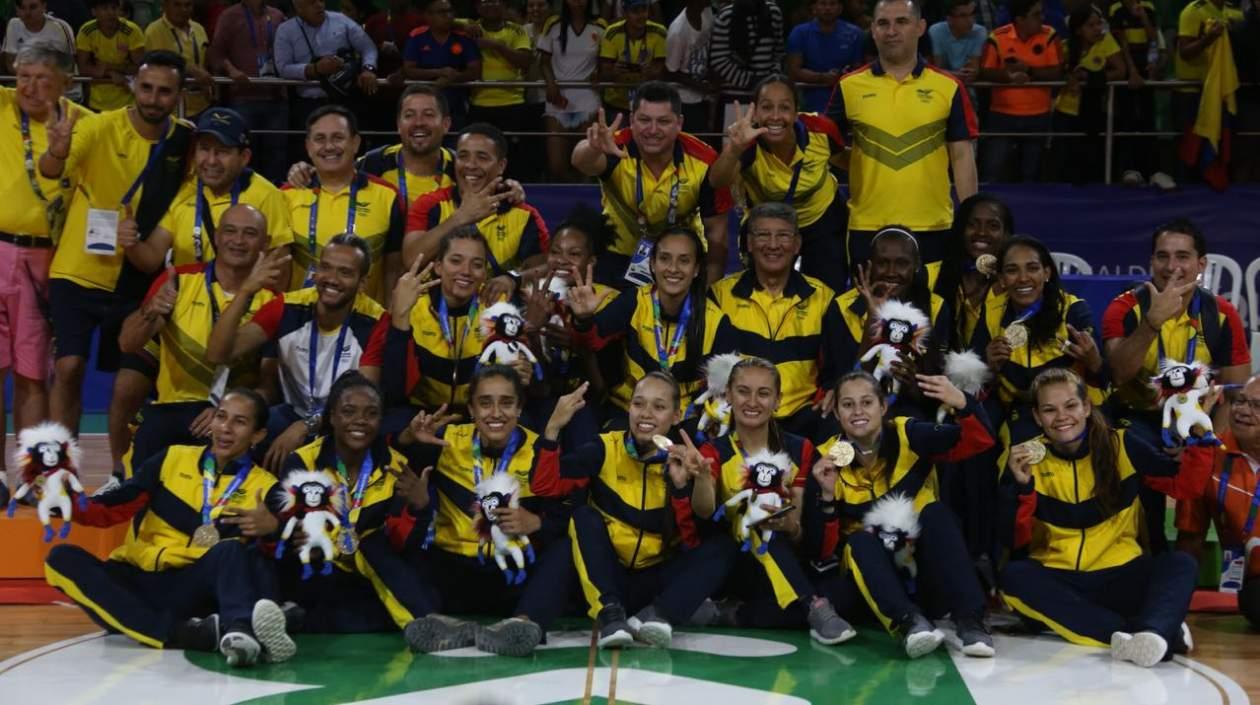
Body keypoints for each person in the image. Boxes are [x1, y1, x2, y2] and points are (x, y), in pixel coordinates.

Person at [43, 389, 298, 668]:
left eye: (239, 422)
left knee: (231, 552)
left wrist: (274, 528)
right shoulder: (171, 458)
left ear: (258, 435)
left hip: (192, 587)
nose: (225, 428)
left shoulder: (266, 487)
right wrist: (66, 503)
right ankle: (186, 633)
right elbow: (115, 506)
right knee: (60, 559)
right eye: (221, 417)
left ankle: (239, 628)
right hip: (137, 577)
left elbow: (279, 556)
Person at [1000, 368, 1208, 667]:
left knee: (1181, 564)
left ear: (1086, 407)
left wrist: (1202, 437)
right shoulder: (1026, 459)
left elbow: (1185, 487)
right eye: (1049, 410)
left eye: (1070, 405)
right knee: (1014, 578)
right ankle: (1154, 632)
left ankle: (1150, 632)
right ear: (1036, 417)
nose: (1061, 416)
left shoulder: (1123, 444)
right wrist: (1022, 487)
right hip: (1060, 579)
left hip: (1121, 574)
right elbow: (1012, 538)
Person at [42, 50, 195, 441]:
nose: (153, 98)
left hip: (138, 276)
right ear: (132, 86)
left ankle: (121, 474)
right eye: (145, 88)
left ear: (178, 94)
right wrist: (57, 149)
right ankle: (60, 466)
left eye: (164, 91)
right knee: (69, 367)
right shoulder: (97, 127)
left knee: (130, 386)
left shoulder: (185, 141)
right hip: (78, 269)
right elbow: (52, 169)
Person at [532, 371, 737, 649]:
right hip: (606, 576)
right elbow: (545, 486)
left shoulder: (686, 459)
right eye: (638, 403)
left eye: (659, 407)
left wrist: (683, 486)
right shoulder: (604, 448)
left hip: (655, 582)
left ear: (676, 416)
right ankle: (610, 615)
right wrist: (553, 428)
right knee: (582, 517)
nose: (646, 413)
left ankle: (659, 617)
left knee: (722, 547)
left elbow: (691, 540)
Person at [811, 369, 996, 658]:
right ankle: (909, 624)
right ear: (836, 413)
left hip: (923, 574)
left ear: (883, 406)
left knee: (935, 513)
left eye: (867, 402)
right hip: (873, 586)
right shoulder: (826, 457)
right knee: (858, 541)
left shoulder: (910, 433)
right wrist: (825, 495)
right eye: (848, 404)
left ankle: (970, 621)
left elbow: (980, 440)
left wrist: (962, 402)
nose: (858, 411)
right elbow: (821, 550)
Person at [395, 365, 577, 656]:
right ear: (471, 408)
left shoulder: (540, 451)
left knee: (565, 548)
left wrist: (538, 523)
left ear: (520, 408)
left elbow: (566, 516)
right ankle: (434, 621)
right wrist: (407, 439)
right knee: (387, 543)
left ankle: (522, 624)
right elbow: (383, 460)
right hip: (453, 572)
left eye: (506, 403)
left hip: (514, 577)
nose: (495, 413)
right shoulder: (444, 440)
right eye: (485, 403)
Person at [1102, 219, 1250, 551]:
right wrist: (1152, 322)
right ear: (1150, 262)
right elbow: (1119, 375)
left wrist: (1204, 441)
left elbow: (1236, 394)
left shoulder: (1222, 315)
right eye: (1162, 256)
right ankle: (1144, 553)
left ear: (1201, 264)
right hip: (1137, 416)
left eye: (1182, 257)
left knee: (1204, 468)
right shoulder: (1125, 308)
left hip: (1198, 419)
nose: (1172, 267)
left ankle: (1192, 559)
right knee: (1134, 451)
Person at [694, 358, 856, 644]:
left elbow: (809, 542)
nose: (752, 401)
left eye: (764, 393)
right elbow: (704, 516)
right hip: (738, 564)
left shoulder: (800, 449)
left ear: (778, 400)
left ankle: (732, 615)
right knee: (754, 516)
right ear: (728, 395)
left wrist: (790, 527)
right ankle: (813, 606)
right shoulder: (713, 450)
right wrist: (702, 480)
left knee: (846, 597)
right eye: (743, 391)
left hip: (788, 561)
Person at [117, 204, 279, 470]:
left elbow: (269, 385)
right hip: (174, 410)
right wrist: (150, 311)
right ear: (216, 237)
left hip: (235, 418)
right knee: (152, 432)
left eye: (249, 233)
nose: (238, 241)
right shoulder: (179, 281)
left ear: (265, 242)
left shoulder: (272, 301)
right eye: (230, 231)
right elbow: (127, 343)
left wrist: (228, 412)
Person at [280, 372, 441, 639]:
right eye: (348, 411)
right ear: (331, 417)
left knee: (372, 545)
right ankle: (426, 621)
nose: (360, 421)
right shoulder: (303, 462)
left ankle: (425, 623)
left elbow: (406, 545)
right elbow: (295, 532)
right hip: (320, 577)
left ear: (381, 420)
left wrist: (419, 509)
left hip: (376, 581)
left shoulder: (396, 466)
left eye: (371, 413)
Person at [207, 234, 386, 471]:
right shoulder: (287, 307)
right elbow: (218, 354)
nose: (332, 279)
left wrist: (306, 426)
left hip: (343, 421)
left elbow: (360, 401)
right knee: (239, 430)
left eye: (345, 272)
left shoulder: (376, 321)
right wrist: (246, 291)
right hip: (291, 412)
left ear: (362, 282)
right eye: (326, 268)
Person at [828, 0, 978, 269]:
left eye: (902, 22)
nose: (891, 31)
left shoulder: (948, 86)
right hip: (866, 225)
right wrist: (863, 161)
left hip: (934, 225)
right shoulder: (849, 86)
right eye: (883, 23)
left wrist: (970, 222)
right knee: (871, 311)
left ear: (920, 27)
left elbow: (962, 157)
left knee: (933, 310)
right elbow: (828, 148)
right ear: (873, 30)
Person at [0, 46, 88, 494]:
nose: (29, 87)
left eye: (42, 79)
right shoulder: (1, 106)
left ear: (65, 84)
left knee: (32, 374)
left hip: (46, 259)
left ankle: (30, 480)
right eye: (23, 76)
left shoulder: (84, 124)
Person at [571, 81, 732, 288]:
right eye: (644, 120)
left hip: (681, 260)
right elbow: (581, 161)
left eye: (663, 121)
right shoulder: (614, 146)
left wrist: (709, 293)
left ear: (679, 123)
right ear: (632, 120)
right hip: (620, 256)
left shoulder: (706, 161)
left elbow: (717, 235)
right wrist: (593, 148)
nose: (652, 130)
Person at [568, 227, 734, 424]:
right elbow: (591, 342)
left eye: (684, 260)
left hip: (683, 422)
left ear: (697, 269)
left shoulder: (716, 321)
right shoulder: (634, 302)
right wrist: (583, 320)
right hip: (629, 413)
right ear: (653, 264)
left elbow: (723, 391)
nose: (673, 268)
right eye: (664, 258)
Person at [709, 203, 837, 442]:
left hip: (802, 418)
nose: (773, 245)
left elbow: (834, 368)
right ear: (748, 243)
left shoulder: (823, 298)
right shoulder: (720, 296)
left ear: (797, 244)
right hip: (738, 416)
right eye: (763, 235)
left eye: (783, 236)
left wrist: (833, 388)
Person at [709, 75, 848, 292]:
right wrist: (734, 148)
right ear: (755, 113)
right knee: (764, 293)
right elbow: (717, 181)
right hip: (768, 225)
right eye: (766, 107)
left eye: (784, 108)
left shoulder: (821, 130)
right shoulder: (748, 143)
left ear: (795, 112)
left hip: (822, 220)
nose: (775, 116)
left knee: (828, 293)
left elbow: (845, 160)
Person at [970, 235, 1105, 444]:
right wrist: (988, 365)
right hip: (1021, 409)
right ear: (1002, 279)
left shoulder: (1074, 311)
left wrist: (1094, 362)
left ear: (1047, 273)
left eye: (1032, 268)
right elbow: (973, 380)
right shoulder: (991, 314)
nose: (1023, 278)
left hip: (1075, 406)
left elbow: (1107, 375)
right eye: (1012, 270)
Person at [819, 227, 953, 413]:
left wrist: (912, 382)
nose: (891, 272)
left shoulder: (936, 308)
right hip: (853, 407)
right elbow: (839, 377)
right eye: (882, 263)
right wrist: (873, 319)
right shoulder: (841, 308)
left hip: (911, 409)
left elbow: (937, 386)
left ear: (916, 265)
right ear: (870, 265)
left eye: (902, 263)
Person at [282, 105, 405, 305]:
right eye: (320, 139)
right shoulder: (286, 196)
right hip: (301, 320)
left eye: (338, 138)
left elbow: (393, 268)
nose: (329, 146)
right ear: (308, 146)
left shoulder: (387, 196)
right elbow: (279, 269)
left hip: (366, 321)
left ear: (355, 143)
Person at [366, 228, 492, 417]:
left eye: (477, 264)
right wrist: (400, 317)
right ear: (438, 266)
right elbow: (392, 391)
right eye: (456, 261)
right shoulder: (413, 306)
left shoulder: (497, 308)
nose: (466, 271)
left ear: (484, 272)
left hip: (480, 418)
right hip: (421, 418)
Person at [403, 122, 549, 279]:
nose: (471, 165)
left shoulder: (525, 215)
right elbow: (411, 260)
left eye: (482, 157)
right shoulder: (429, 204)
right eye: (463, 156)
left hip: (497, 303)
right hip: (435, 303)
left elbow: (544, 269)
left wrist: (514, 279)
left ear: (501, 166)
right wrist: (460, 218)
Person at [1176, 375, 1260, 628]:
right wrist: (1176, 604)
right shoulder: (1208, 456)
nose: (1242, 411)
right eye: (1239, 401)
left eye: (1257, 406)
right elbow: (1190, 538)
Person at [978, 0, 1064, 183]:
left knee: (1031, 174)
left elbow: (1056, 72)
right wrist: (1009, 78)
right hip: (1002, 116)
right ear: (1020, 19)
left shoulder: (1050, 35)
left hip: (1038, 116)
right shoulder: (997, 37)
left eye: (1042, 13)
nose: (1042, 18)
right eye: (1036, 14)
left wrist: (1029, 71)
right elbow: (985, 71)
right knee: (992, 170)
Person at [209, 0, 289, 183]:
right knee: (243, 154)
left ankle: (274, 201)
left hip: (276, 97)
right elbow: (216, 53)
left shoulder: (277, 16)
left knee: (276, 157)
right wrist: (231, 70)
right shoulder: (229, 16)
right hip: (243, 98)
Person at [929, 191, 1014, 350]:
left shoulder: (1014, 282)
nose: (981, 232)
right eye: (972, 224)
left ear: (1007, 234)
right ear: (960, 230)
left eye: (993, 226)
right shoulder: (930, 275)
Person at [1053, 5, 1128, 185]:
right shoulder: (1064, 47)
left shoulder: (1106, 42)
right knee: (1065, 161)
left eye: (1098, 24)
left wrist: (1091, 77)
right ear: (1078, 30)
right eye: (1090, 25)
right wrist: (1068, 77)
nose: (1097, 29)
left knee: (1092, 159)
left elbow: (1120, 71)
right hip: (1066, 111)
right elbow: (1056, 74)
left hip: (1094, 111)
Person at [274, 0, 380, 120]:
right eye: (312, 2)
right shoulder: (285, 30)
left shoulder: (342, 20)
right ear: (298, 8)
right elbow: (283, 68)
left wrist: (368, 68)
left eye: (321, 0)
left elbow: (368, 47)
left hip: (344, 100)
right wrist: (314, 69)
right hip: (308, 104)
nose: (319, 5)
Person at [538, 0, 606, 181]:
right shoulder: (553, 25)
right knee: (557, 166)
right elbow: (543, 62)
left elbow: (606, 60)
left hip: (588, 100)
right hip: (557, 101)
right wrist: (551, 83)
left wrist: (599, 73)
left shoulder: (599, 26)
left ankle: (584, 206)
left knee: (585, 165)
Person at [467, 0, 534, 179]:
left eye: (496, 1)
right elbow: (447, 19)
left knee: (512, 158)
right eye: (485, 2)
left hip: (512, 103)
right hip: (479, 103)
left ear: (505, 6)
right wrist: (466, 26)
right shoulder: (469, 28)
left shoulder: (517, 31)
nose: (491, 5)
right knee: (479, 155)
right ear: (477, 7)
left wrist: (495, 45)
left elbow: (524, 61)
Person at [1108, 0, 1170, 187]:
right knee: (1128, 120)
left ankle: (1153, 171)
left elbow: (1153, 38)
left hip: (1146, 72)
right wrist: (1132, 72)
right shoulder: (1116, 9)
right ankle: (1130, 170)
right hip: (1127, 73)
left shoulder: (1148, 7)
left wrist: (1142, 16)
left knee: (1148, 120)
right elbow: (1121, 43)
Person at [402, 0, 482, 130]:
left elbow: (475, 71)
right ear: (428, 16)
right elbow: (409, 69)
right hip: (422, 102)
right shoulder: (417, 36)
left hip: (456, 104)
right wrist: (439, 73)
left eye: (450, 11)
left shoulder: (464, 37)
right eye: (442, 12)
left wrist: (455, 77)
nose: (448, 16)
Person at [709, 0, 785, 126]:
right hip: (734, 98)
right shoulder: (726, 16)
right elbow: (718, 59)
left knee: (765, 142)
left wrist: (771, 80)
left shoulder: (774, 14)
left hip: (766, 97)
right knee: (733, 141)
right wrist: (750, 81)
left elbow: (778, 53)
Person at [786, 0, 865, 114]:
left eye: (832, 4)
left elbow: (860, 71)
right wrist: (823, 77)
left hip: (847, 101)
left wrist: (842, 77)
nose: (828, 8)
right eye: (823, 3)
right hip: (808, 103)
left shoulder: (855, 34)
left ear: (840, 8)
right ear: (814, 7)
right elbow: (794, 71)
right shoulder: (799, 33)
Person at [597, 0, 666, 120]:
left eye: (644, 10)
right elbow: (604, 74)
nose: (641, 16)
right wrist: (613, 72)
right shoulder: (611, 33)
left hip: (648, 102)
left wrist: (652, 73)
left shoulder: (659, 32)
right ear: (624, 13)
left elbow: (664, 72)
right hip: (616, 104)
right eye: (635, 11)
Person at [144, 0, 215, 116]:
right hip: (170, 110)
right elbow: (157, 65)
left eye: (187, 5)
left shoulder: (199, 29)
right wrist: (191, 69)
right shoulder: (154, 31)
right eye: (177, 5)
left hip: (201, 105)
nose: (183, 10)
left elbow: (204, 61)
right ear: (165, 6)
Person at [3, 0, 80, 105]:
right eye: (22, 7)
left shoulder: (60, 27)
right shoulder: (13, 25)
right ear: (16, 9)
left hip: (65, 94)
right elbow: (10, 64)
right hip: (31, 93)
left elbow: (68, 66)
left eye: (33, 7)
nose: (27, 13)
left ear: (44, 6)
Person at [75, 0, 145, 112]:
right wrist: (111, 74)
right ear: (94, 12)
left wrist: (109, 67)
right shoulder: (86, 31)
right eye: (105, 8)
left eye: (114, 8)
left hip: (128, 103)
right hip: (97, 103)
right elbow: (82, 68)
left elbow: (140, 67)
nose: (110, 13)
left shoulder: (132, 31)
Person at [664, 0, 714, 140]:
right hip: (684, 100)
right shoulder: (678, 31)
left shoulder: (707, 13)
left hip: (702, 96)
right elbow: (670, 72)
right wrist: (699, 86)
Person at [928, 0, 986, 97]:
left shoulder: (979, 32)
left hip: (966, 89)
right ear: (949, 19)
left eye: (972, 14)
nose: (970, 20)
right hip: (939, 87)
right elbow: (936, 69)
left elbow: (973, 71)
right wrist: (956, 75)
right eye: (963, 16)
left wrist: (969, 74)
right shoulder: (936, 31)